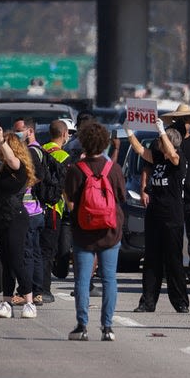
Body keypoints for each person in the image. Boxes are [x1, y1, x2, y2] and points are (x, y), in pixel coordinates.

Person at [63, 121, 125, 342]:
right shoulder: (113, 169)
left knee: (82, 279)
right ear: (105, 143)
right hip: (110, 231)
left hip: (83, 232)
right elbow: (121, 197)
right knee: (109, 278)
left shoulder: (76, 170)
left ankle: (82, 326)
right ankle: (107, 327)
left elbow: (69, 199)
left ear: (83, 142)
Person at [127, 118, 189, 313]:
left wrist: (162, 129)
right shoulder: (158, 159)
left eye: (161, 140)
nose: (158, 143)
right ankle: (148, 301)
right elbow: (140, 151)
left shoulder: (178, 159)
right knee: (152, 260)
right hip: (154, 215)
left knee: (173, 260)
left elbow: (172, 153)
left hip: (172, 217)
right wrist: (129, 132)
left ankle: (180, 301)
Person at [0, 125, 37, 319]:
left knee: (16, 259)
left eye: (4, 148)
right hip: (1, 216)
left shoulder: (18, 167)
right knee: (5, 261)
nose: (0, 151)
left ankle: (29, 301)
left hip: (16, 216)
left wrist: (1, 140)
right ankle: (6, 301)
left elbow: (11, 158)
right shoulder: (3, 170)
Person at [159, 104, 190, 281]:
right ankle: (170, 270)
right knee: (171, 236)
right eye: (179, 120)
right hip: (171, 196)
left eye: (186, 120)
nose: (183, 124)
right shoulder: (169, 143)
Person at [12, 117, 46, 306]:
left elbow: (36, 177)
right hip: (36, 211)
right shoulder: (38, 150)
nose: (17, 134)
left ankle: (27, 292)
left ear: (29, 131)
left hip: (29, 211)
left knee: (26, 253)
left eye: (19, 131)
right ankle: (37, 291)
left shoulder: (31, 153)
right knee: (35, 253)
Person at [38, 119, 72, 303]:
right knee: (48, 251)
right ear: (64, 134)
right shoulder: (63, 157)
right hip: (53, 209)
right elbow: (66, 186)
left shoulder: (40, 151)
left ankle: (32, 286)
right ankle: (43, 290)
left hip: (35, 207)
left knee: (36, 248)